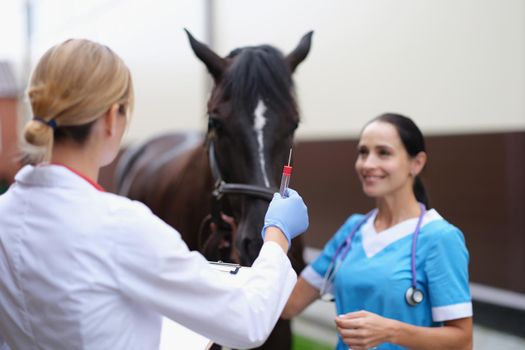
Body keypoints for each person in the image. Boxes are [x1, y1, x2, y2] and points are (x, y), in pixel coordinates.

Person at [0, 39, 309, 350]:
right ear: (111, 118)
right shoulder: (121, 227)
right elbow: (247, 321)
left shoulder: (5, 213)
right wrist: (277, 237)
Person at [282, 113, 472, 350]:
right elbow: (288, 306)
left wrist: (391, 332)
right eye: (363, 152)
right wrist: (275, 234)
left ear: (417, 163)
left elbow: (462, 341)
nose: (368, 164)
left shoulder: (440, 238)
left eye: (383, 153)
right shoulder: (353, 230)